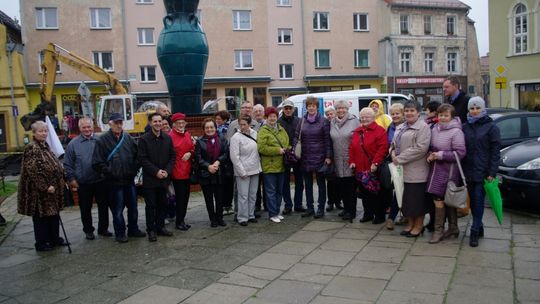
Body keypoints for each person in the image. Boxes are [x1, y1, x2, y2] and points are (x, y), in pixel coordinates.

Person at [92, 113, 146, 243]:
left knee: (133, 207)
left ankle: (133, 229)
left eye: (120, 122)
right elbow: (97, 163)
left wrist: (133, 170)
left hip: (128, 180)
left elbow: (137, 156)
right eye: (116, 122)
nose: (119, 125)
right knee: (118, 210)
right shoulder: (102, 140)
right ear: (110, 123)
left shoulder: (128, 138)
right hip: (113, 182)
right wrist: (110, 172)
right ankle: (120, 233)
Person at [18, 121, 67, 251]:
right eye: (40, 131)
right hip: (39, 192)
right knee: (41, 217)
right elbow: (32, 170)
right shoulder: (32, 148)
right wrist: (45, 186)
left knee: (53, 215)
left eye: (45, 131)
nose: (44, 133)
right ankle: (42, 242)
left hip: (52, 189)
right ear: (34, 133)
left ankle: (54, 238)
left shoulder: (45, 146)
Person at [64, 117, 112, 240]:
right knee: (85, 208)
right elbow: (68, 164)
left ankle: (103, 229)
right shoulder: (73, 144)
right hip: (83, 182)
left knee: (103, 206)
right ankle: (88, 230)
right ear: (80, 128)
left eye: (89, 127)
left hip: (100, 180)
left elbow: (108, 157)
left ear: (92, 127)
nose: (87, 129)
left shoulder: (100, 140)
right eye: (84, 127)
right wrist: (72, 179)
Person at [462, 96, 501, 247]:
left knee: (478, 201)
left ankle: (474, 231)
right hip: (468, 170)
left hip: (483, 171)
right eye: (472, 108)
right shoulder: (465, 127)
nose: (475, 111)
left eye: (478, 108)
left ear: (483, 109)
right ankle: (480, 225)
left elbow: (495, 152)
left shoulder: (492, 127)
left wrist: (492, 172)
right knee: (473, 201)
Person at [426, 104, 466, 243]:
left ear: (452, 117)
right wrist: (431, 154)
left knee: (446, 199)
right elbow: (431, 147)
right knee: (441, 200)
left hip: (449, 172)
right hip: (436, 170)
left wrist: (440, 155)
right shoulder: (435, 129)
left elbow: (460, 153)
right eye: (440, 115)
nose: (442, 118)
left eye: (446, 115)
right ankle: (451, 228)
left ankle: (440, 230)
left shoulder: (456, 132)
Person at [390, 100, 431, 237]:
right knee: (407, 200)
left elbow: (420, 148)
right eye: (406, 111)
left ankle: (419, 226)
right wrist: (393, 153)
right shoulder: (401, 127)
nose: (409, 113)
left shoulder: (423, 127)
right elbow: (394, 144)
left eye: (412, 110)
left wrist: (399, 158)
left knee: (417, 201)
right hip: (402, 170)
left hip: (417, 170)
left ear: (418, 113)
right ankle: (410, 224)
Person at [138, 113, 176, 242]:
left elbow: (172, 156)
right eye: (155, 121)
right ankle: (151, 230)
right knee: (151, 206)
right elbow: (142, 159)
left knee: (163, 204)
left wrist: (167, 171)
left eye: (160, 121)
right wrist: (156, 171)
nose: (158, 123)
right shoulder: (143, 139)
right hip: (151, 179)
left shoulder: (167, 138)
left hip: (164, 178)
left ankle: (160, 227)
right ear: (150, 123)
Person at [293, 96, 332, 219]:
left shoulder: (324, 121)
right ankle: (310, 208)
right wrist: (295, 151)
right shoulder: (301, 121)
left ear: (317, 107)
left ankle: (320, 209)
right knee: (308, 185)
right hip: (305, 158)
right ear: (306, 107)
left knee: (321, 185)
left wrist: (328, 156)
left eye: (313, 106)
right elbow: (296, 138)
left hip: (320, 158)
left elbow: (328, 140)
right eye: (309, 106)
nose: (311, 108)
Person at [349, 107, 388, 224]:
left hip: (373, 168)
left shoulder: (380, 131)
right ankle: (368, 214)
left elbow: (383, 148)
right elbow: (352, 148)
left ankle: (379, 215)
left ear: (373, 117)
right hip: (360, 169)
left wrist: (376, 162)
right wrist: (351, 161)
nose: (364, 119)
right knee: (364, 194)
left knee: (376, 193)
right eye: (362, 117)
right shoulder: (357, 131)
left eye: (367, 117)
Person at [195, 118, 231, 227]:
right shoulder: (200, 141)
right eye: (207, 128)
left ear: (215, 128)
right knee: (209, 198)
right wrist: (208, 166)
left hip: (219, 172)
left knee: (220, 197)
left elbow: (226, 153)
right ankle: (213, 219)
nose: (209, 129)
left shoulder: (222, 139)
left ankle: (220, 218)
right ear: (203, 129)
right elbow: (198, 157)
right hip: (206, 174)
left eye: (211, 127)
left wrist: (218, 162)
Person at [329, 100, 359, 221]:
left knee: (350, 187)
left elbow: (358, 141)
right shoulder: (332, 122)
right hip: (337, 159)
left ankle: (352, 211)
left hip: (350, 159)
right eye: (338, 108)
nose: (341, 110)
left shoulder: (354, 121)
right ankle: (346, 209)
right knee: (341, 186)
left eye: (343, 108)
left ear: (347, 109)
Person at [258, 107, 289, 223]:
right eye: (270, 116)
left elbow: (287, 142)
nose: (272, 118)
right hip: (269, 166)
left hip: (281, 165)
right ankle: (272, 213)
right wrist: (277, 150)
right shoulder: (263, 131)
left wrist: (288, 149)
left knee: (279, 190)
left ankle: (276, 211)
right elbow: (261, 148)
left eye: (274, 116)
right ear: (266, 118)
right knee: (271, 191)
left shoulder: (281, 129)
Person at [230, 115, 261, 226]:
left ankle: (251, 214)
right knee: (243, 195)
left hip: (255, 169)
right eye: (241, 124)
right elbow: (234, 157)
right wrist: (241, 171)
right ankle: (242, 217)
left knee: (253, 194)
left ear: (249, 124)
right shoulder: (236, 137)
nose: (242, 126)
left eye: (245, 124)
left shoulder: (255, 134)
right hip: (242, 171)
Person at [278, 100, 305, 215]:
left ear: (293, 109)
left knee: (299, 181)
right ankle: (288, 205)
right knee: (285, 182)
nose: (288, 110)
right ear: (283, 110)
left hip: (298, 155)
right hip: (284, 155)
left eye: (290, 108)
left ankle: (298, 204)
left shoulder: (299, 121)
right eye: (286, 108)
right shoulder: (278, 122)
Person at [169, 112, 194, 231]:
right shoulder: (170, 136)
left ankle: (182, 219)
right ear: (173, 125)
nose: (180, 125)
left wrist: (190, 153)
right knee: (180, 198)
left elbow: (193, 148)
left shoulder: (187, 134)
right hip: (177, 172)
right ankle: (179, 221)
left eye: (182, 123)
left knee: (186, 198)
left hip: (187, 170)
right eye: (178, 123)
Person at [385, 103, 405, 230]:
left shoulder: (406, 126)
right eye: (393, 114)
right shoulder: (390, 127)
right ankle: (393, 217)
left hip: (406, 161)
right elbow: (389, 142)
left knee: (403, 191)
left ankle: (395, 217)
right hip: (393, 162)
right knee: (397, 190)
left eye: (397, 113)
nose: (395, 116)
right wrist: (391, 151)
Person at [423, 100, 441, 232]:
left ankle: (436, 222)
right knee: (429, 195)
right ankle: (432, 221)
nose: (425, 112)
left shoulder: (435, 125)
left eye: (427, 110)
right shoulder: (428, 123)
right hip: (427, 162)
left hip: (435, 163)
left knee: (435, 194)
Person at [324, 106, 342, 212]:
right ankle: (330, 202)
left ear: (335, 114)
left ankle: (338, 201)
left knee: (339, 180)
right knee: (330, 182)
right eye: (328, 114)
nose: (330, 116)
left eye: (331, 114)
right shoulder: (325, 124)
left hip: (339, 155)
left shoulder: (338, 123)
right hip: (329, 156)